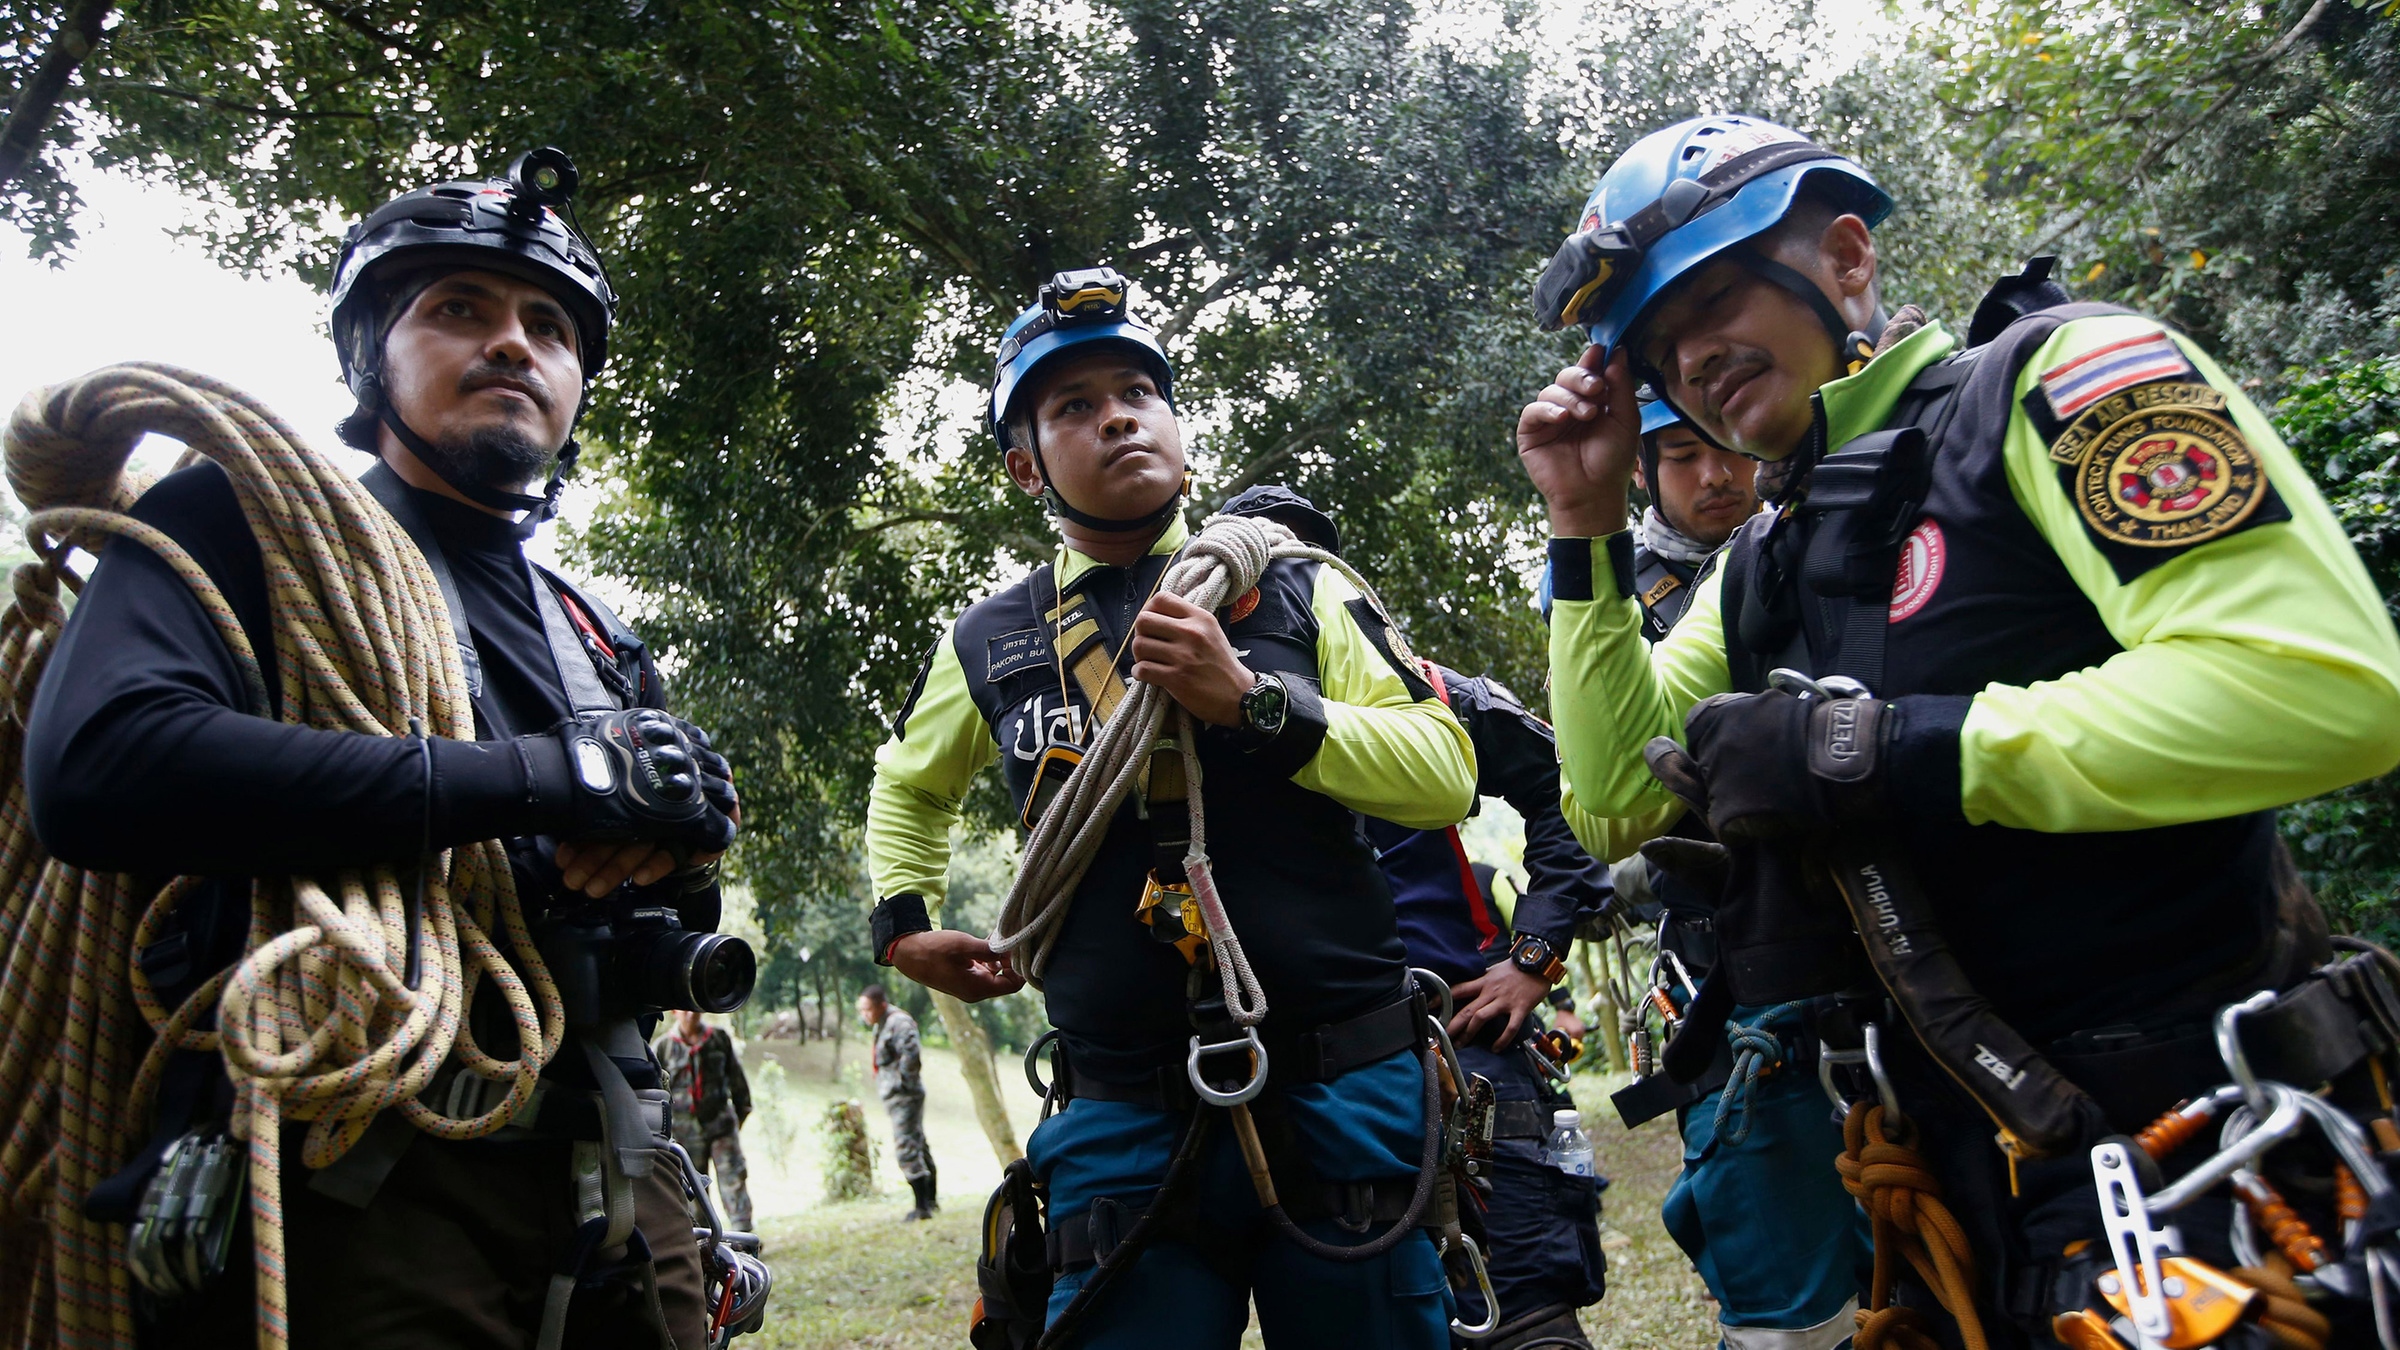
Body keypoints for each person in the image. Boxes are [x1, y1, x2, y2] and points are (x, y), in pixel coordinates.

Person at [1517, 112, 2400, 1347]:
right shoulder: (1763, 558)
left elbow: (2324, 690)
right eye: (1656, 343)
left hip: (2210, 1167)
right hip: (1951, 1200)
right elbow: (1613, 797)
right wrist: (1582, 523)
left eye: (1713, 294)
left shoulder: (2064, 383)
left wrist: (1885, 751)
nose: (1691, 355)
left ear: (1844, 259)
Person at [23, 151, 744, 1348]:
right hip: (358, 1169)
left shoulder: (594, 633)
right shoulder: (238, 525)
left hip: (619, 1159)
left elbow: (632, 894)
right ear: (371, 355)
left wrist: (682, 836)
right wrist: (542, 781)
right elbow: (98, 763)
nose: (514, 343)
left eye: (550, 327)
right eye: (459, 308)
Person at [864, 267, 1475, 1348]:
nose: (1115, 418)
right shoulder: (991, 641)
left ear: (1180, 425)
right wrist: (903, 924)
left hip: (1344, 1082)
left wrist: (1252, 704)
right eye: (1073, 407)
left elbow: (1442, 772)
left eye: (1137, 393)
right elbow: (908, 786)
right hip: (1122, 1111)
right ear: (1025, 466)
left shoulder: (1299, 588)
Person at [1222, 484, 1610, 1350]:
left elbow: (1569, 787)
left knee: (1524, 1313)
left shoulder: (1433, 698)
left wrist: (1534, 952)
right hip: (1297, 1064)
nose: (1282, 576)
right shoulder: (1191, 721)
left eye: (1300, 556)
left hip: (1459, 1038)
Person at [654, 1009, 756, 1232]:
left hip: (721, 1126)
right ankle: (704, 1244)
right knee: (694, 1191)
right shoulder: (663, 1047)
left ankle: (744, 1238)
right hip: (684, 1134)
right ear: (674, 1012)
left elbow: (738, 1082)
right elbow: (655, 1093)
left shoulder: (718, 1039)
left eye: (695, 1009)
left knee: (734, 1181)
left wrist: (738, 1118)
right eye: (684, 1009)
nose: (691, 1014)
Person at [857, 985, 936, 1219]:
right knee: (917, 1143)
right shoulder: (882, 1024)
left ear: (881, 1005)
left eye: (867, 1009)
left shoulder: (898, 1022)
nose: (864, 1015)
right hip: (896, 1095)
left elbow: (911, 1054)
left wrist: (904, 1085)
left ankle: (922, 1207)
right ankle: (930, 1200)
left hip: (905, 1095)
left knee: (906, 1147)